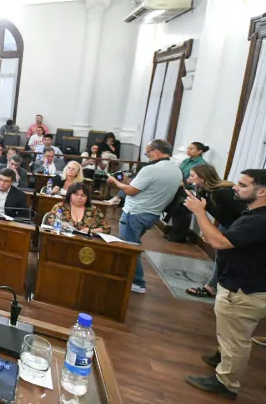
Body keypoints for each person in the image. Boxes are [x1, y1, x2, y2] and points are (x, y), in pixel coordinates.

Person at [184, 169, 266, 400]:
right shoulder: (253, 214)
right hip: (241, 282)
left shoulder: (259, 220)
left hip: (243, 289)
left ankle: (226, 382)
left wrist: (200, 212)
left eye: (243, 185)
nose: (235, 188)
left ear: (262, 192)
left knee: (236, 340)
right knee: (230, 332)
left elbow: (220, 242)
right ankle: (222, 357)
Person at [107, 139, 183, 294]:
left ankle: (138, 282)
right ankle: (125, 275)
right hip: (152, 214)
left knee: (130, 248)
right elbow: (148, 187)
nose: (147, 156)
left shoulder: (151, 169)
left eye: (148, 153)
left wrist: (115, 181)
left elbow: (130, 191)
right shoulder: (176, 170)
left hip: (135, 213)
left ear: (157, 152)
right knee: (132, 244)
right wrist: (128, 182)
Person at [183, 165, 246, 298]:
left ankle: (214, 287)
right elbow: (218, 215)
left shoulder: (225, 192)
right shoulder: (202, 192)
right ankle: (214, 286)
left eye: (192, 176)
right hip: (226, 224)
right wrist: (209, 230)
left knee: (227, 257)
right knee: (221, 256)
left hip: (238, 227)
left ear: (203, 178)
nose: (189, 179)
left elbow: (244, 213)